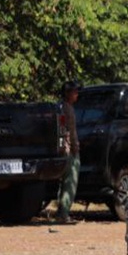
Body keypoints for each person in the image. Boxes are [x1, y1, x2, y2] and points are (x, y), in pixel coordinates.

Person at [54, 80, 81, 224]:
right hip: (69, 150)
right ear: (68, 93)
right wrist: (75, 147)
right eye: (74, 91)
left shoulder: (60, 107)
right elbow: (70, 131)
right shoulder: (68, 109)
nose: (77, 94)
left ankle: (61, 212)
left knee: (64, 182)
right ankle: (64, 213)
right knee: (71, 181)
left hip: (64, 149)